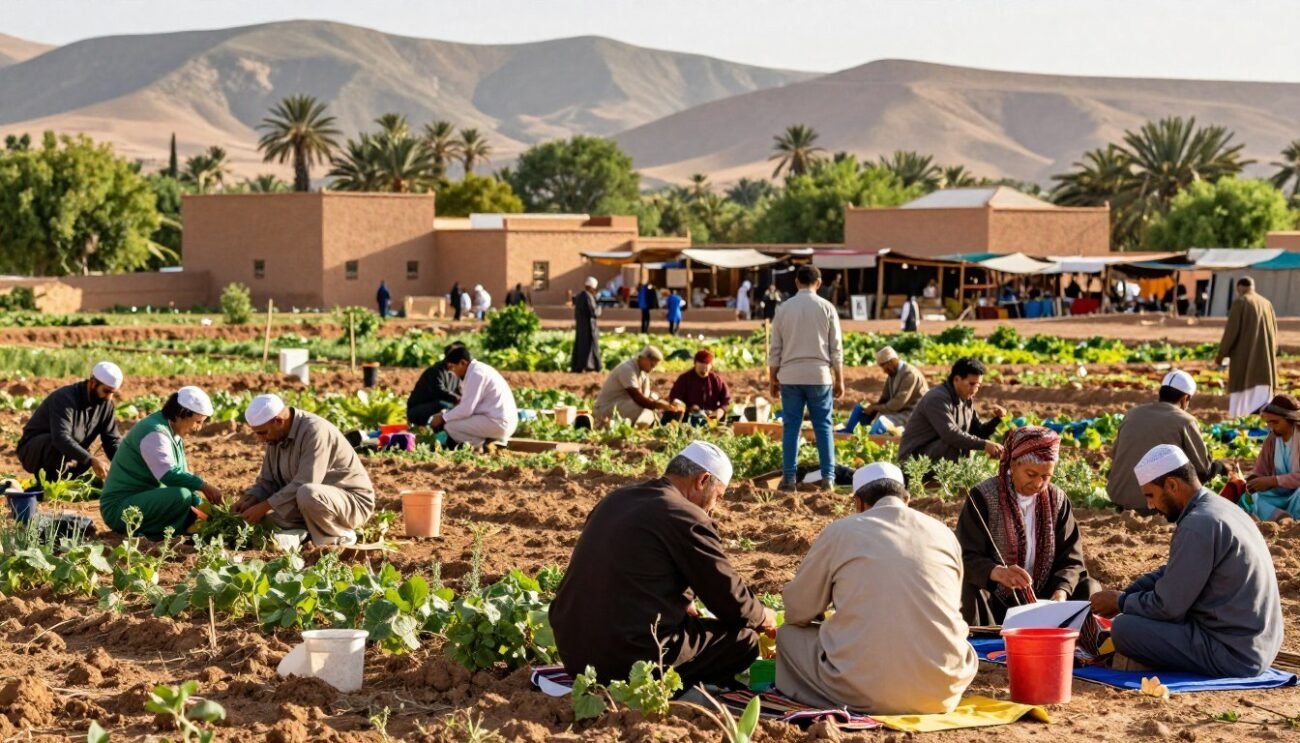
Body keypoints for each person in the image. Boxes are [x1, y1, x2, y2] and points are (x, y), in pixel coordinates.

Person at [550, 442, 776, 687]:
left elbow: (635, 568)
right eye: (717, 497)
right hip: (627, 660)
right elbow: (730, 600)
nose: (714, 508)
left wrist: (681, 601)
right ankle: (677, 693)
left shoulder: (616, 499)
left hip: (573, 654)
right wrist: (763, 616)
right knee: (744, 641)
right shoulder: (686, 515)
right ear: (702, 480)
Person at [777, 463, 977, 714]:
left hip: (861, 691)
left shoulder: (841, 531)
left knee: (788, 635)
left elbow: (798, 610)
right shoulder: (943, 533)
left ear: (858, 502)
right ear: (907, 498)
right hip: (942, 691)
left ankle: (839, 697)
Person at [1089, 445, 1282, 677]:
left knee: (1124, 629)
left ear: (1171, 485)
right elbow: (1173, 571)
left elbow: (1166, 608)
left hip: (1234, 653)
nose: (1150, 506)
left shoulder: (1197, 523)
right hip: (1261, 644)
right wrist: (1127, 593)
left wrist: (1121, 603)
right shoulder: (1220, 508)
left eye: (1150, 495)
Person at [956, 427, 1098, 625]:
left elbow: (1072, 561)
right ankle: (986, 645)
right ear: (1013, 464)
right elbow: (965, 557)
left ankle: (1075, 647)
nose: (1038, 484)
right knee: (968, 590)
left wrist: (1061, 593)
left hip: (1045, 599)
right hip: (997, 600)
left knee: (1089, 588)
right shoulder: (983, 498)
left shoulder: (1057, 500)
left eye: (1046, 476)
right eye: (1031, 474)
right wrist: (997, 572)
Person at [233, 394, 375, 546]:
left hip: (350, 503)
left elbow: (306, 482)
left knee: (308, 493)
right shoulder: (275, 438)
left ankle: (339, 536)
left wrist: (264, 506)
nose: (260, 439)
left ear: (279, 421)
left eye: (262, 433)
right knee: (260, 524)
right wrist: (250, 499)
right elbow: (268, 482)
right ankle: (308, 534)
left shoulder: (315, 431)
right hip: (306, 506)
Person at [99, 387, 222, 540]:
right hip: (120, 509)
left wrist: (204, 507)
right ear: (182, 414)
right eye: (197, 422)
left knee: (188, 497)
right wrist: (204, 485)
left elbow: (181, 476)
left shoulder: (173, 432)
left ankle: (183, 528)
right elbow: (168, 474)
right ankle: (157, 534)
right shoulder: (154, 432)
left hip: (143, 500)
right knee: (181, 496)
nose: (198, 428)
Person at [768, 265, 843, 491]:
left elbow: (775, 349)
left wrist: (773, 379)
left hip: (790, 376)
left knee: (792, 427)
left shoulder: (783, 309)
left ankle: (789, 478)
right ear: (818, 283)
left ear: (797, 282)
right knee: (823, 427)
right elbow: (836, 349)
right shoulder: (827, 308)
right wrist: (840, 378)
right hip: (819, 375)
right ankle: (828, 478)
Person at [1106, 370, 1212, 512]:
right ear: (1184, 398)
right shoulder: (1185, 420)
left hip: (1119, 497)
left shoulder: (1132, 414)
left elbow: (1114, 456)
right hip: (1157, 503)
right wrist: (1219, 468)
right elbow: (1203, 470)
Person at [17, 361, 123, 481]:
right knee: (60, 446)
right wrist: (90, 459)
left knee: (85, 456)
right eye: (106, 391)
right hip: (33, 451)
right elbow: (60, 437)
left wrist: (126, 464)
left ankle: (64, 482)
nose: (109, 397)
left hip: (65, 456)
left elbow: (111, 440)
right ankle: (48, 484)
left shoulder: (106, 405)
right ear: (93, 383)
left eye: (113, 393)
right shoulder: (64, 398)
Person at [898, 357, 1005, 468]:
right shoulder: (937, 398)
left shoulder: (966, 398)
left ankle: (959, 478)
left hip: (935, 453)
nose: (975, 389)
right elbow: (950, 434)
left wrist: (996, 420)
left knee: (966, 443)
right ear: (956, 380)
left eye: (978, 385)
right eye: (971, 384)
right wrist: (984, 445)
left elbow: (977, 432)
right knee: (955, 442)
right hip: (914, 459)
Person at [427, 346, 518, 448]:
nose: (452, 372)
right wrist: (446, 413)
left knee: (451, 427)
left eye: (452, 367)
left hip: (498, 423)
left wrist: (443, 418)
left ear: (463, 363)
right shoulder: (477, 370)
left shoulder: (476, 374)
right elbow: (467, 406)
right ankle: (491, 441)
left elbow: (466, 410)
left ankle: (481, 446)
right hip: (499, 420)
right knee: (453, 421)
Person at [1215, 277, 1277, 418]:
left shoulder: (1241, 302)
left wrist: (1221, 355)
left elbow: (1231, 332)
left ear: (1240, 288)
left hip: (1244, 363)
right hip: (1265, 364)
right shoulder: (1267, 303)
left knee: (1241, 408)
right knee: (1262, 408)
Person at [839, 346, 928, 435]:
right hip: (897, 410)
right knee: (861, 407)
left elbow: (897, 403)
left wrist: (875, 408)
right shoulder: (892, 374)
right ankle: (849, 433)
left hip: (910, 414)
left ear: (892, 361)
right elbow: (885, 398)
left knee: (882, 422)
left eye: (883, 366)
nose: (884, 370)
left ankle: (872, 440)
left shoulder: (909, 374)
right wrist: (871, 406)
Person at [1241, 393, 1300, 521]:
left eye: (1275, 422)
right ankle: (1281, 516)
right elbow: (1261, 468)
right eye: (1268, 422)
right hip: (1280, 493)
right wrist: (1254, 480)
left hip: (1297, 493)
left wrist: (1273, 480)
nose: (1271, 427)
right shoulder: (1272, 439)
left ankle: (1292, 518)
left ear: (1290, 419)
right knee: (1254, 497)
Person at [593, 346, 677, 427]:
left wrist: (661, 403)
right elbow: (637, 398)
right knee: (645, 408)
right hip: (606, 408)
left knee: (653, 400)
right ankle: (641, 425)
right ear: (644, 358)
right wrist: (657, 405)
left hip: (623, 405)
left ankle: (646, 423)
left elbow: (646, 397)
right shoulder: (627, 369)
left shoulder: (643, 373)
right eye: (651, 365)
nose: (651, 369)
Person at [406, 342, 465, 427]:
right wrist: (457, 399)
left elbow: (459, 392)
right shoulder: (436, 371)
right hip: (417, 410)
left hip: (436, 406)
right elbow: (439, 391)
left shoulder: (457, 373)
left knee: (457, 408)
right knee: (444, 406)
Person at [667, 350, 732, 423]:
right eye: (701, 364)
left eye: (707, 365)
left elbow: (726, 399)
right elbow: (674, 398)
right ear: (695, 363)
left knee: (712, 427)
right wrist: (688, 407)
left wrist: (720, 410)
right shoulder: (684, 379)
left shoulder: (716, 380)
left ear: (711, 366)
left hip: (711, 417)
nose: (704, 369)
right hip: (687, 417)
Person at [571, 276, 602, 373]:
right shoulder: (588, 297)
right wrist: (599, 309)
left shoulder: (580, 296)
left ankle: (578, 366)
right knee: (590, 347)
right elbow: (594, 312)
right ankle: (590, 366)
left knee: (580, 346)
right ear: (592, 287)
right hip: (589, 327)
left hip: (581, 327)